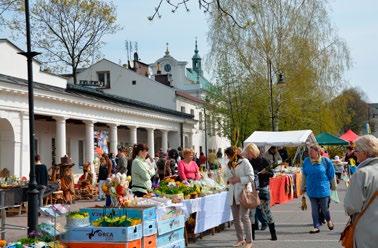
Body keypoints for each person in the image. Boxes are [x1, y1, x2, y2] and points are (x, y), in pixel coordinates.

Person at [344, 135, 378, 248]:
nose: (354, 153)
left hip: (367, 230)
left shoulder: (362, 174)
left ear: (365, 152)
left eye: (357, 150)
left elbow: (351, 206)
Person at [244, 143, 277, 241]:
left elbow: (272, 174)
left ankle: (273, 234)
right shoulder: (248, 162)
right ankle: (251, 236)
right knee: (252, 213)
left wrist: (265, 172)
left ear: (252, 151)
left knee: (266, 211)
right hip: (253, 189)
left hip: (263, 188)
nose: (248, 154)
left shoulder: (264, 161)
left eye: (249, 152)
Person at [223, 146, 254, 248]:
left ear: (234, 154)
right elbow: (225, 176)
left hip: (243, 193)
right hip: (232, 193)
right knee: (236, 219)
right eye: (227, 156)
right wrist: (228, 180)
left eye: (229, 155)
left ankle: (249, 241)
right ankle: (240, 239)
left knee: (244, 217)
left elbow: (251, 176)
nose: (228, 157)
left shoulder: (244, 162)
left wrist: (239, 179)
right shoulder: (228, 164)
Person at [302, 144, 336, 233]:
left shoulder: (326, 161)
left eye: (312, 151)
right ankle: (316, 226)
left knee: (324, 208)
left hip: (323, 189)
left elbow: (331, 174)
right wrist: (302, 186)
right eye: (309, 151)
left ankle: (329, 220)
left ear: (317, 152)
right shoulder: (306, 161)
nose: (310, 153)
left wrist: (334, 185)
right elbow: (304, 175)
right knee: (314, 209)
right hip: (311, 188)